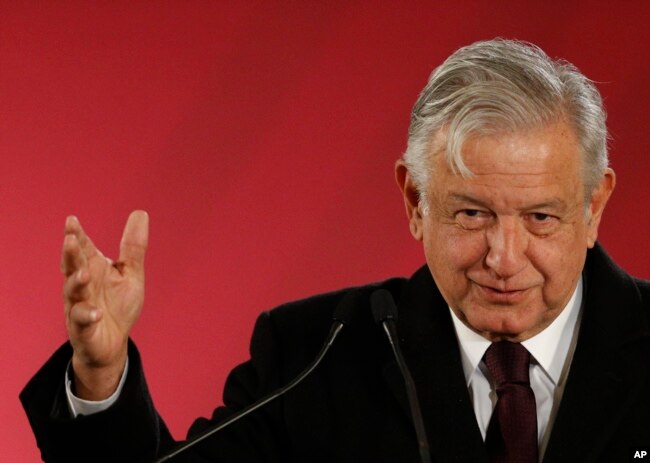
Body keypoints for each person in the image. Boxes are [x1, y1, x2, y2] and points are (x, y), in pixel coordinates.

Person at [21, 39, 650, 463]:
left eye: (540, 217)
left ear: (593, 207)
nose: (504, 257)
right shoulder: (312, 354)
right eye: (471, 214)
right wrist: (101, 377)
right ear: (413, 200)